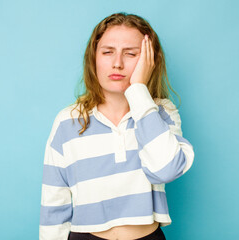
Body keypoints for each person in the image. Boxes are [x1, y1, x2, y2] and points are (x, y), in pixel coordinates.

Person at [39, 12, 194, 240]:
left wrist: (138, 91)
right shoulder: (68, 120)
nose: (117, 63)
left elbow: (166, 170)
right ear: (94, 58)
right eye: (107, 52)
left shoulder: (162, 112)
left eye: (131, 54)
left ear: (149, 61)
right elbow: (54, 207)